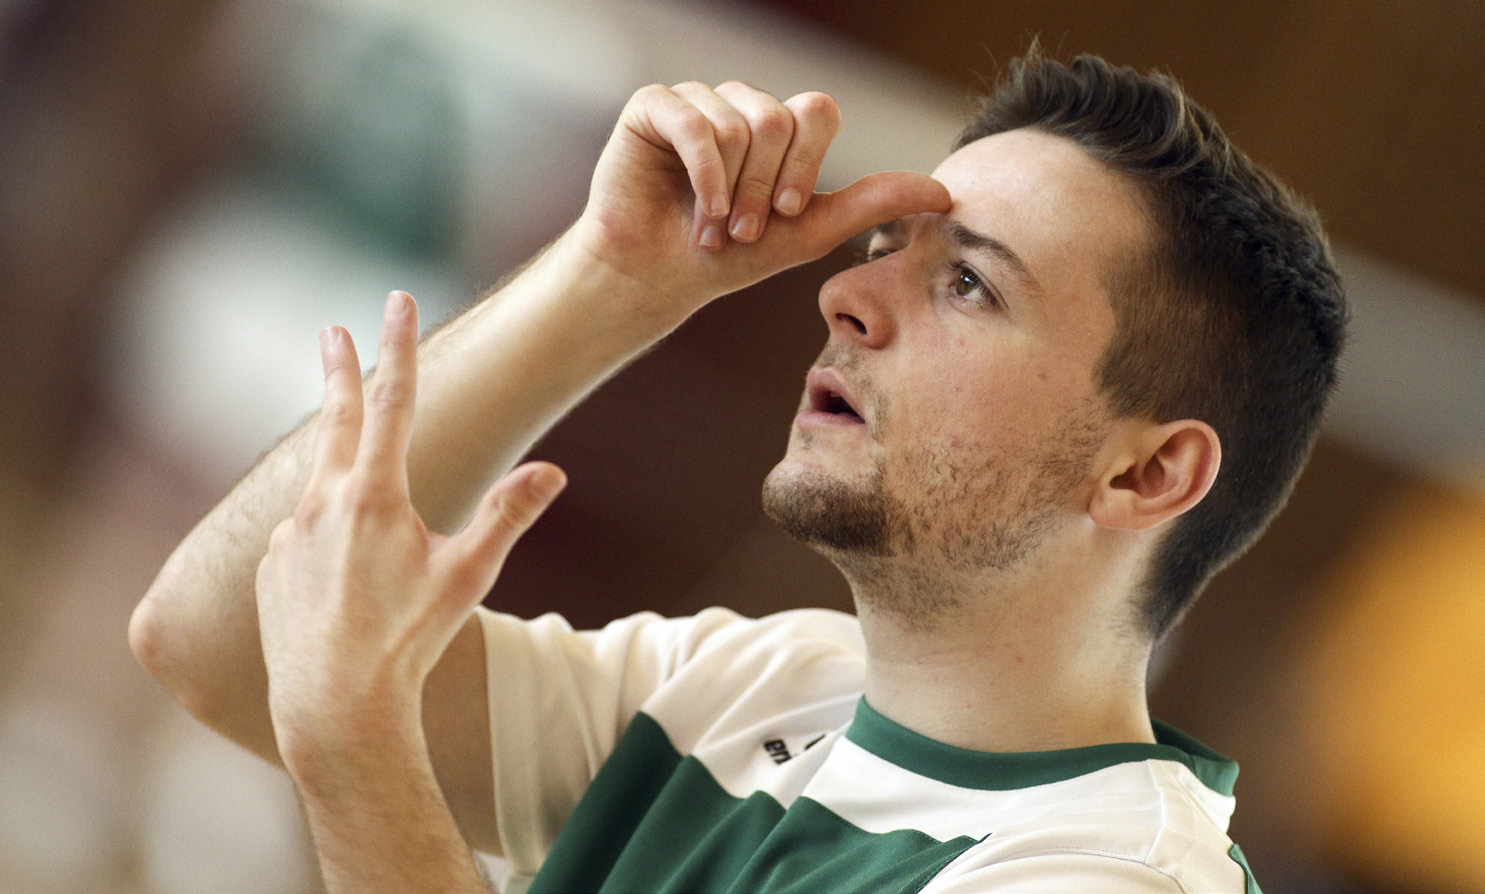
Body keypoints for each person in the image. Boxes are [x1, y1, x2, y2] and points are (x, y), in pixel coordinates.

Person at [130, 46, 1345, 893]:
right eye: (886, 245)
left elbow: (315, 699)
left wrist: (358, 744)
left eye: (969, 285)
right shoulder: (758, 684)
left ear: (1148, 476)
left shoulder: (1107, 876)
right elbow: (218, 641)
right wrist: (609, 277)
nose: (846, 295)